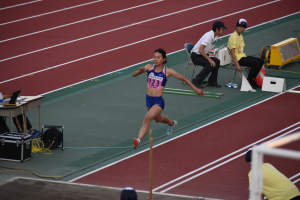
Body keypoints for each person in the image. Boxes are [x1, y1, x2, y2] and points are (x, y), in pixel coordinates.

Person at [132, 48, 205, 149]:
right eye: (154, 57)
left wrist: (196, 89)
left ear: (164, 59)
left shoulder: (167, 71)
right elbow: (133, 75)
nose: (155, 59)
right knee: (158, 119)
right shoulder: (149, 67)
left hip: (158, 102)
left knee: (147, 118)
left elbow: (183, 78)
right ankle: (172, 123)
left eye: (158, 57)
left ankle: (138, 140)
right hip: (148, 100)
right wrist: (139, 71)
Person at [228, 18, 264, 89]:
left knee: (261, 61)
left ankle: (253, 79)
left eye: (244, 28)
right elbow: (232, 52)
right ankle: (249, 81)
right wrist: (237, 65)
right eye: (240, 27)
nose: (242, 29)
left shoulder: (240, 36)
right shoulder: (233, 37)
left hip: (242, 56)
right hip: (237, 59)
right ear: (236, 27)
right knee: (255, 63)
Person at [190, 21, 228, 88]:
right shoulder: (208, 36)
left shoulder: (215, 36)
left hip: (202, 55)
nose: (224, 31)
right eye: (222, 29)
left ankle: (212, 82)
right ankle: (196, 81)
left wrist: (212, 58)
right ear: (217, 29)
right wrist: (210, 60)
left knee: (217, 61)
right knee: (209, 64)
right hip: (195, 56)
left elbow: (211, 49)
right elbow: (200, 50)